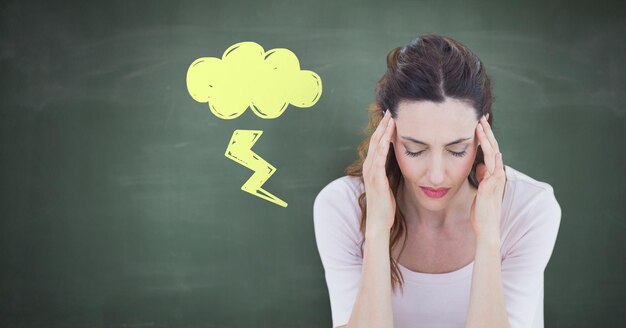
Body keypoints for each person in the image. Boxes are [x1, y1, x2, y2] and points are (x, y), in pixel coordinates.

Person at [313, 35, 561, 328]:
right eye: (415, 150)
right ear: (388, 133)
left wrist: (489, 235)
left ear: (481, 135)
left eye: (457, 150)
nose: (436, 175)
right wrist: (377, 230)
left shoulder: (528, 208)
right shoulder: (343, 207)